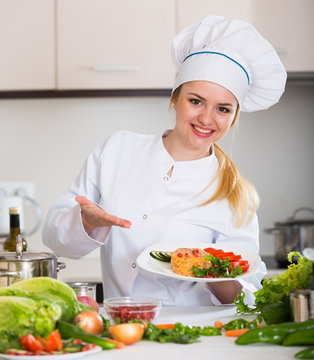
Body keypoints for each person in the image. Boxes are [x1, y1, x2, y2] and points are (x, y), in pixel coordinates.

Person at [42, 15, 287, 307]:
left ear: (234, 116)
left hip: (195, 341)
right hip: (124, 330)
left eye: (223, 108)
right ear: (175, 99)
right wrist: (85, 221)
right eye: (196, 101)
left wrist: (216, 269)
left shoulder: (236, 195)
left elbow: (246, 300)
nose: (207, 119)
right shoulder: (118, 150)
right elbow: (55, 238)